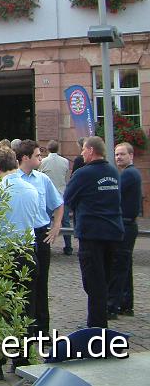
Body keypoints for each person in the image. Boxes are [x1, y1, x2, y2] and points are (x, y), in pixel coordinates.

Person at [0, 148, 41, 380]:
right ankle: (23, 361)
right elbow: (36, 219)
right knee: (25, 308)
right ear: (16, 163)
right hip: (25, 253)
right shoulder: (31, 189)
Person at [63, 136, 123, 328]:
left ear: (90, 150)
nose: (81, 153)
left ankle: (97, 327)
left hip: (92, 235)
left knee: (93, 282)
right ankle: (99, 321)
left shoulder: (83, 173)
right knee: (104, 280)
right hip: (113, 232)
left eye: (83, 150)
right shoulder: (114, 172)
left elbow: (68, 198)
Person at [14, 139, 63, 337]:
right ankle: (24, 328)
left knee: (42, 282)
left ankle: (42, 329)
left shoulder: (42, 179)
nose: (40, 159)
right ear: (25, 158)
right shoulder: (12, 179)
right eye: (37, 156)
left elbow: (58, 203)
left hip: (40, 233)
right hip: (20, 235)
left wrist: (57, 225)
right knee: (23, 283)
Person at [108, 142, 142, 318]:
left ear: (131, 155)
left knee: (119, 266)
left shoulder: (129, 174)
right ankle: (126, 304)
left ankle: (112, 306)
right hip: (128, 224)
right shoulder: (129, 173)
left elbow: (114, 195)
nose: (118, 157)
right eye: (116, 154)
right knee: (125, 266)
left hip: (126, 225)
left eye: (122, 154)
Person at [39, 140, 72, 255]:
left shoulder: (43, 161)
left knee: (46, 222)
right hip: (62, 194)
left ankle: (46, 245)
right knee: (66, 221)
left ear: (48, 149)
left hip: (48, 196)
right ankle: (68, 247)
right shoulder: (65, 161)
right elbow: (66, 176)